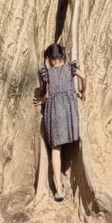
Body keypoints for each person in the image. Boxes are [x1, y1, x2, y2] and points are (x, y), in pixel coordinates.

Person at [35, 43, 84, 202]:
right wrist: (83, 91)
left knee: (56, 149)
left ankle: (59, 188)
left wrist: (41, 100)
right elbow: (84, 77)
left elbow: (47, 96)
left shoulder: (48, 74)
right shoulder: (70, 68)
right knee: (72, 138)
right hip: (69, 113)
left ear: (49, 59)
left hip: (55, 113)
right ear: (62, 56)